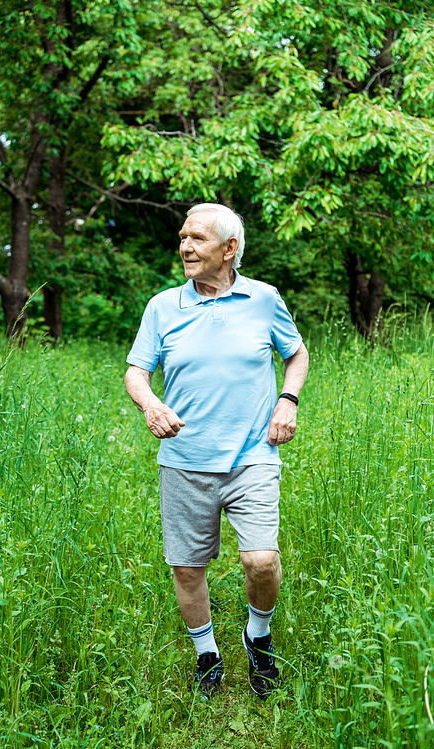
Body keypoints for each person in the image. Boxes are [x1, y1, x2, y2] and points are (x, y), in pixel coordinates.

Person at [124, 203, 309, 700]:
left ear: (229, 250)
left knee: (261, 560)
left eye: (198, 239)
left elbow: (295, 353)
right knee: (188, 567)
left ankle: (259, 636)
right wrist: (149, 405)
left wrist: (287, 402)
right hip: (185, 460)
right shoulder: (163, 306)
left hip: (253, 454)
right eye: (183, 237)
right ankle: (207, 654)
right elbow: (136, 372)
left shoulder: (264, 299)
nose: (185, 246)